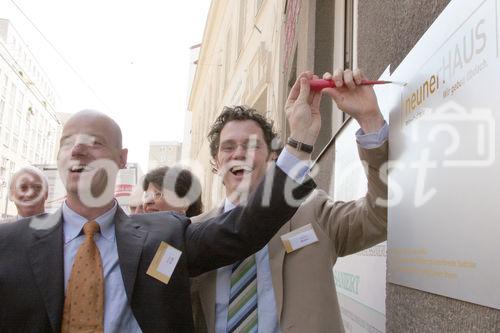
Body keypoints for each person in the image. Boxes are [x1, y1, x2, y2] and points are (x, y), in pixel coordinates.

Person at [0, 96, 317, 332]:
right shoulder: (9, 242)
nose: (77, 150)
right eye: (67, 142)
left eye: (94, 143)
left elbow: (243, 228)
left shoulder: (166, 235)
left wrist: (298, 144)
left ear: (122, 158)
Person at [191, 69, 388, 333]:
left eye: (252, 146)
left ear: (273, 157)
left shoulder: (313, 213)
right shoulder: (192, 234)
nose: (239, 153)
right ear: (216, 161)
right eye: (228, 147)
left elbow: (381, 216)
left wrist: (369, 119)